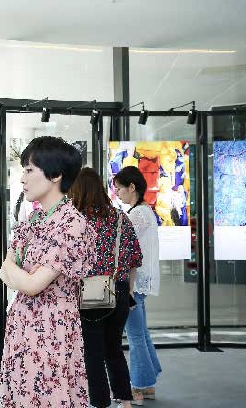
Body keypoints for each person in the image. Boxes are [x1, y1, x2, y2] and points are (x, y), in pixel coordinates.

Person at [0, 136, 96, 407]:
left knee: (50, 396)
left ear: (55, 175)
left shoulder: (72, 224)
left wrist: (17, 274)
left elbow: (31, 285)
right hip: (23, 324)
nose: (22, 178)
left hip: (52, 329)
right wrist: (18, 274)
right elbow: (5, 269)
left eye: (29, 170)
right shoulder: (33, 219)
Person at [68, 168, 143, 408]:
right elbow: (135, 259)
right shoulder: (120, 218)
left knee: (93, 353)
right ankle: (125, 401)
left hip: (91, 290)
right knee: (114, 349)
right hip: (119, 289)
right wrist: (129, 291)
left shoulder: (76, 220)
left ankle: (100, 403)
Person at [113, 165, 162, 404]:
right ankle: (148, 383)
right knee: (141, 333)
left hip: (133, 284)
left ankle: (138, 388)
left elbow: (121, 247)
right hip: (140, 283)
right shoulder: (144, 211)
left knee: (135, 336)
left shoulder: (137, 215)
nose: (117, 193)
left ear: (132, 187)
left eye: (119, 188)